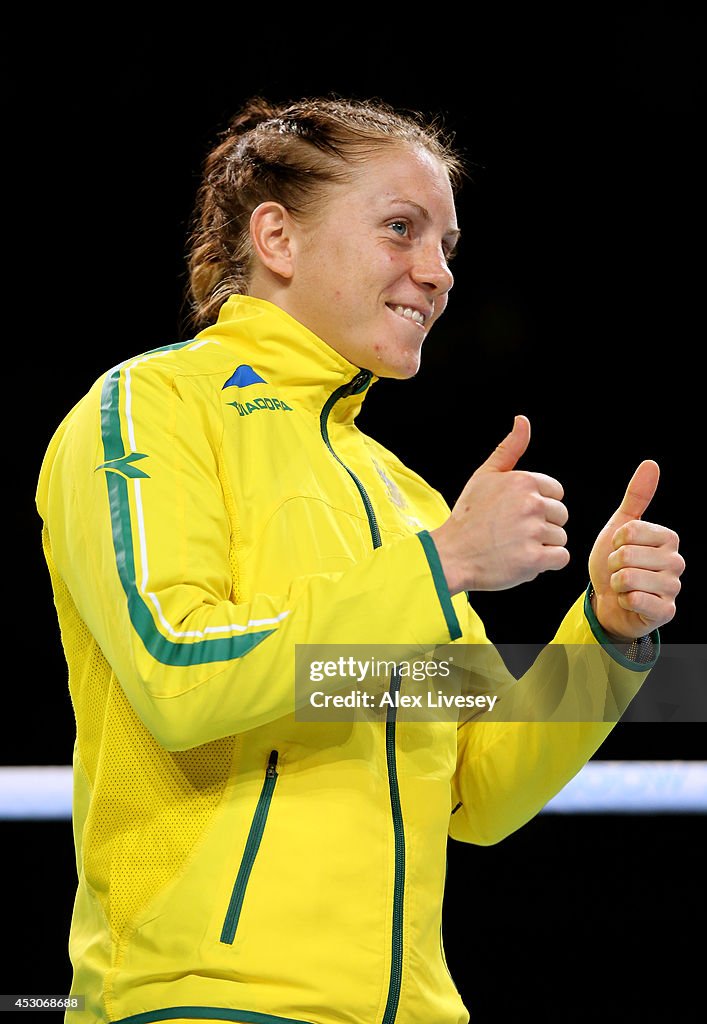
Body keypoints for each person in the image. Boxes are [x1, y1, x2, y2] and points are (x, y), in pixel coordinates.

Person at [36, 95, 685, 1024]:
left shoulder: (406, 497)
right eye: (399, 229)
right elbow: (179, 671)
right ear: (277, 238)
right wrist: (441, 564)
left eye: (448, 246)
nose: (437, 273)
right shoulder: (149, 409)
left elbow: (480, 788)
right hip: (204, 1005)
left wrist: (607, 638)